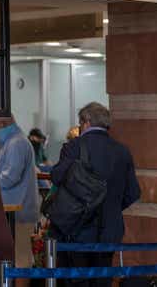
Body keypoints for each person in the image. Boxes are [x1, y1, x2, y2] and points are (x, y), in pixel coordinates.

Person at [50, 102, 141, 287]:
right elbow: (133, 192)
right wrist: (111, 207)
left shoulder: (74, 147)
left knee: (76, 280)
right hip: (110, 231)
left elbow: (57, 177)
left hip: (76, 229)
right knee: (102, 279)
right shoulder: (122, 151)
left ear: (86, 122)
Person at [0, 115, 39, 271]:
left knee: (21, 261)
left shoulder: (16, 143)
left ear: (4, 124)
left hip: (19, 214)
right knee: (17, 259)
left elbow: (10, 177)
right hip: (15, 212)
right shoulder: (13, 142)